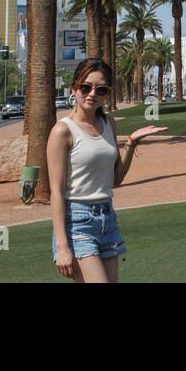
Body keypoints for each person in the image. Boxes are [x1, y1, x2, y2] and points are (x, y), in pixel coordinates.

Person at [48, 58, 167, 282]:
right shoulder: (62, 131)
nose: (92, 94)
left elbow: (116, 180)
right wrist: (62, 246)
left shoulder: (109, 124)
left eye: (101, 90)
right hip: (77, 221)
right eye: (86, 87)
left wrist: (131, 142)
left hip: (107, 218)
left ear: (107, 94)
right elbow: (55, 192)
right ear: (74, 88)